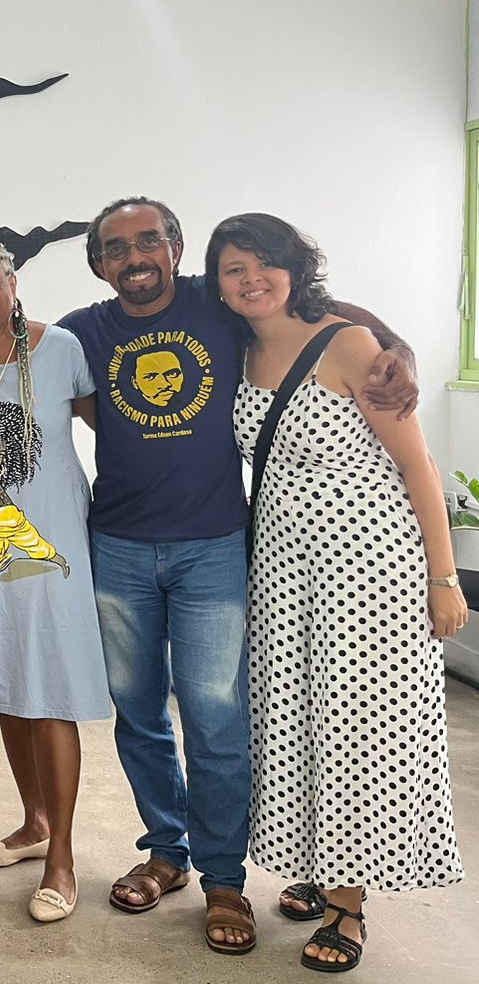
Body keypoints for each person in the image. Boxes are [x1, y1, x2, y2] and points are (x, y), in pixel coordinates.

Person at [58, 197, 419, 955]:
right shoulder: (85, 330)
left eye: (149, 240)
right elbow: (19, 351)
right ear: (98, 264)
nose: (135, 257)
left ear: (175, 247)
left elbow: (328, 315)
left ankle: (224, 877)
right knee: (139, 714)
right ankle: (167, 852)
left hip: (216, 546)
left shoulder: (216, 300)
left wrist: (399, 348)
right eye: (116, 247)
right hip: (118, 546)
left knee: (217, 719)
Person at [207, 214, 466, 973]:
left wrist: (444, 577)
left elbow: (419, 466)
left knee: (358, 732)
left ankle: (348, 907)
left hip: (369, 572)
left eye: (265, 263)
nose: (251, 279)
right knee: (294, 724)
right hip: (283, 572)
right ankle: (321, 868)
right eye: (234, 268)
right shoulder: (240, 348)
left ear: (295, 268)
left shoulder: (348, 345)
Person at [0, 237, 111, 923]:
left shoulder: (60, 349)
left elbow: (114, 432)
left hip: (54, 544)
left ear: (13, 284)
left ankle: (61, 856)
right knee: (10, 683)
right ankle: (34, 821)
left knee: (52, 693)